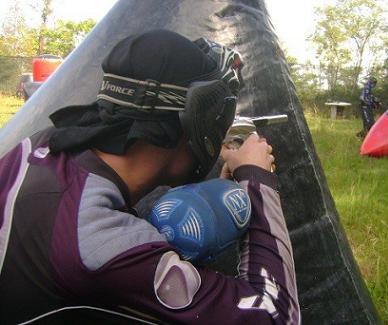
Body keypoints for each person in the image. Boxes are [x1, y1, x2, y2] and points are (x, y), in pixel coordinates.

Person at [0, 29, 300, 324]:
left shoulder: (40, 144)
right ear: (197, 118)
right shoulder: (101, 245)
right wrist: (256, 180)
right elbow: (276, 315)